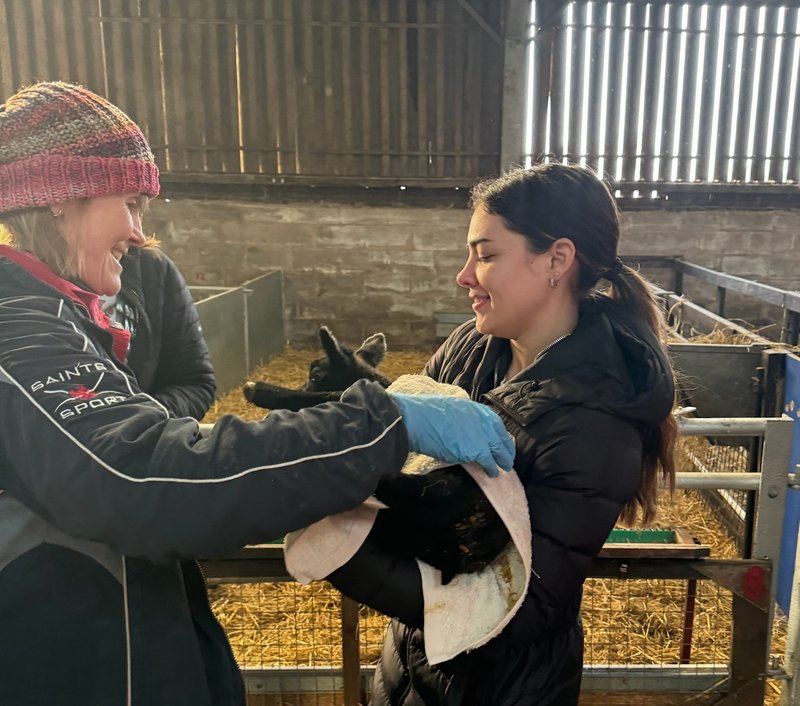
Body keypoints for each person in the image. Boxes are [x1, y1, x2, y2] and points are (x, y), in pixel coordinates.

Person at [0, 81, 515, 706]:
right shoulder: (17, 325)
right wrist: (384, 423)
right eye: (130, 203)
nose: (138, 232)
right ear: (63, 197)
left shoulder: (63, 314)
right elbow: (139, 475)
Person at [326, 163, 678, 705]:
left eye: (486, 255)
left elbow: (519, 610)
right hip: (408, 661)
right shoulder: (471, 346)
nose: (464, 276)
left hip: (506, 686)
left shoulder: (595, 418)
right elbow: (407, 473)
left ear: (557, 259)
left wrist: (341, 550)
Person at [101, 240, 216, 420]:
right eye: (128, 209)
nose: (137, 234)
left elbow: (194, 381)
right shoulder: (47, 294)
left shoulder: (152, 268)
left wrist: (141, 421)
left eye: (139, 212)